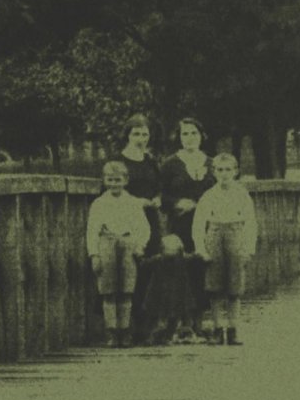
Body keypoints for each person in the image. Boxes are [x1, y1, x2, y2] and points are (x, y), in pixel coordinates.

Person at [109, 115, 168, 344]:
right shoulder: (118, 160)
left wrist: (157, 198)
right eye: (136, 134)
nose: (141, 138)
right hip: (126, 219)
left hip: (149, 220)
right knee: (128, 269)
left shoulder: (150, 161)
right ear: (127, 135)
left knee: (150, 268)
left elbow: (159, 186)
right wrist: (136, 202)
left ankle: (148, 326)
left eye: (144, 134)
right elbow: (110, 189)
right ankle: (126, 327)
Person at [159, 117, 216, 344]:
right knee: (181, 269)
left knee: (202, 269)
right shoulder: (170, 164)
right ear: (179, 137)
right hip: (181, 224)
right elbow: (160, 196)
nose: (190, 138)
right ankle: (182, 324)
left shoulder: (212, 163)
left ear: (202, 136)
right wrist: (176, 203)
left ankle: (199, 323)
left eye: (194, 133)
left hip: (208, 225)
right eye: (185, 134)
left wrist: (204, 207)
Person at [193, 152, 259, 346]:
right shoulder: (209, 195)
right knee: (214, 286)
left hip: (236, 234)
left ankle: (233, 329)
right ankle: (217, 328)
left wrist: (249, 248)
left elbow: (251, 222)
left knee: (234, 286)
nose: (224, 174)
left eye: (228, 170)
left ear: (236, 171)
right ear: (214, 172)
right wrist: (201, 248)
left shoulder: (241, 194)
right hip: (214, 235)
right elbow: (199, 224)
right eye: (220, 170)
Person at [88, 160, 152, 347]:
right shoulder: (99, 203)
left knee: (126, 290)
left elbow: (143, 228)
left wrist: (140, 245)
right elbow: (92, 230)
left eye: (118, 180)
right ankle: (111, 332)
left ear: (126, 180)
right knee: (108, 291)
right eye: (110, 180)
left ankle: (125, 331)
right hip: (106, 243)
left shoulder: (132, 203)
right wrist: (94, 254)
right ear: (104, 180)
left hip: (128, 244)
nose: (114, 184)